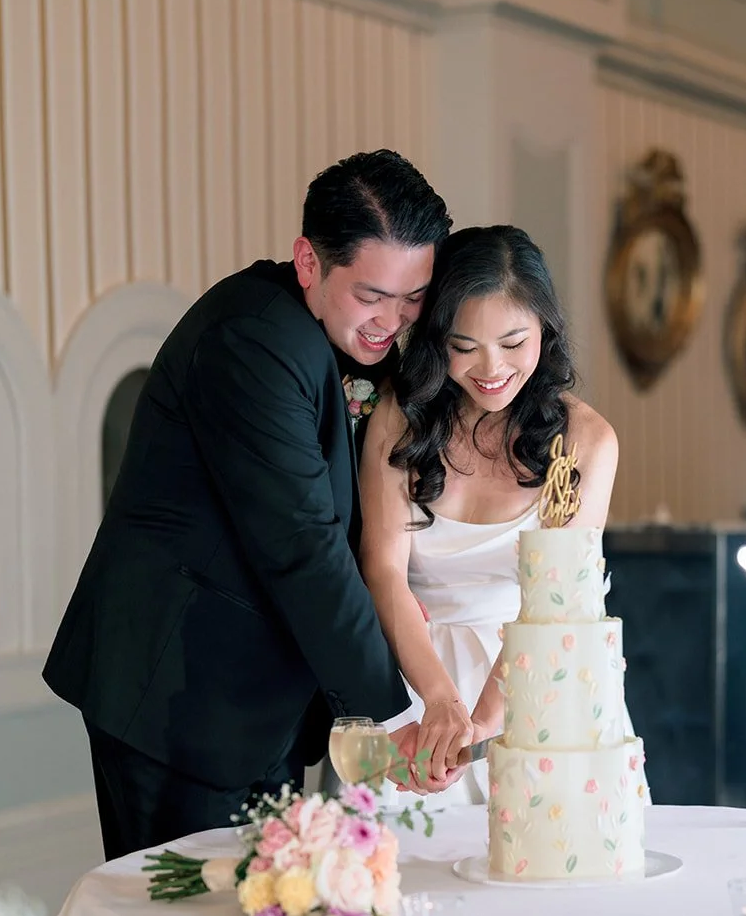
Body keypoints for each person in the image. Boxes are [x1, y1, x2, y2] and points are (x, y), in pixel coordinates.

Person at [44, 150, 451, 857]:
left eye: (412, 298)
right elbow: (301, 545)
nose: (392, 321)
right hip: (177, 695)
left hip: (254, 705)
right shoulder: (254, 342)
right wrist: (394, 713)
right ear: (308, 262)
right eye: (372, 295)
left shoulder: (335, 338)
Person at [359, 224, 619, 800]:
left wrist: (479, 722)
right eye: (464, 346)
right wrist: (439, 702)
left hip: (535, 685)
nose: (491, 368)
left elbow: (551, 604)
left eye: (513, 342)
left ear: (545, 331)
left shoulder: (585, 442)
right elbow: (383, 571)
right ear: (436, 339)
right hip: (412, 686)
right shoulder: (401, 420)